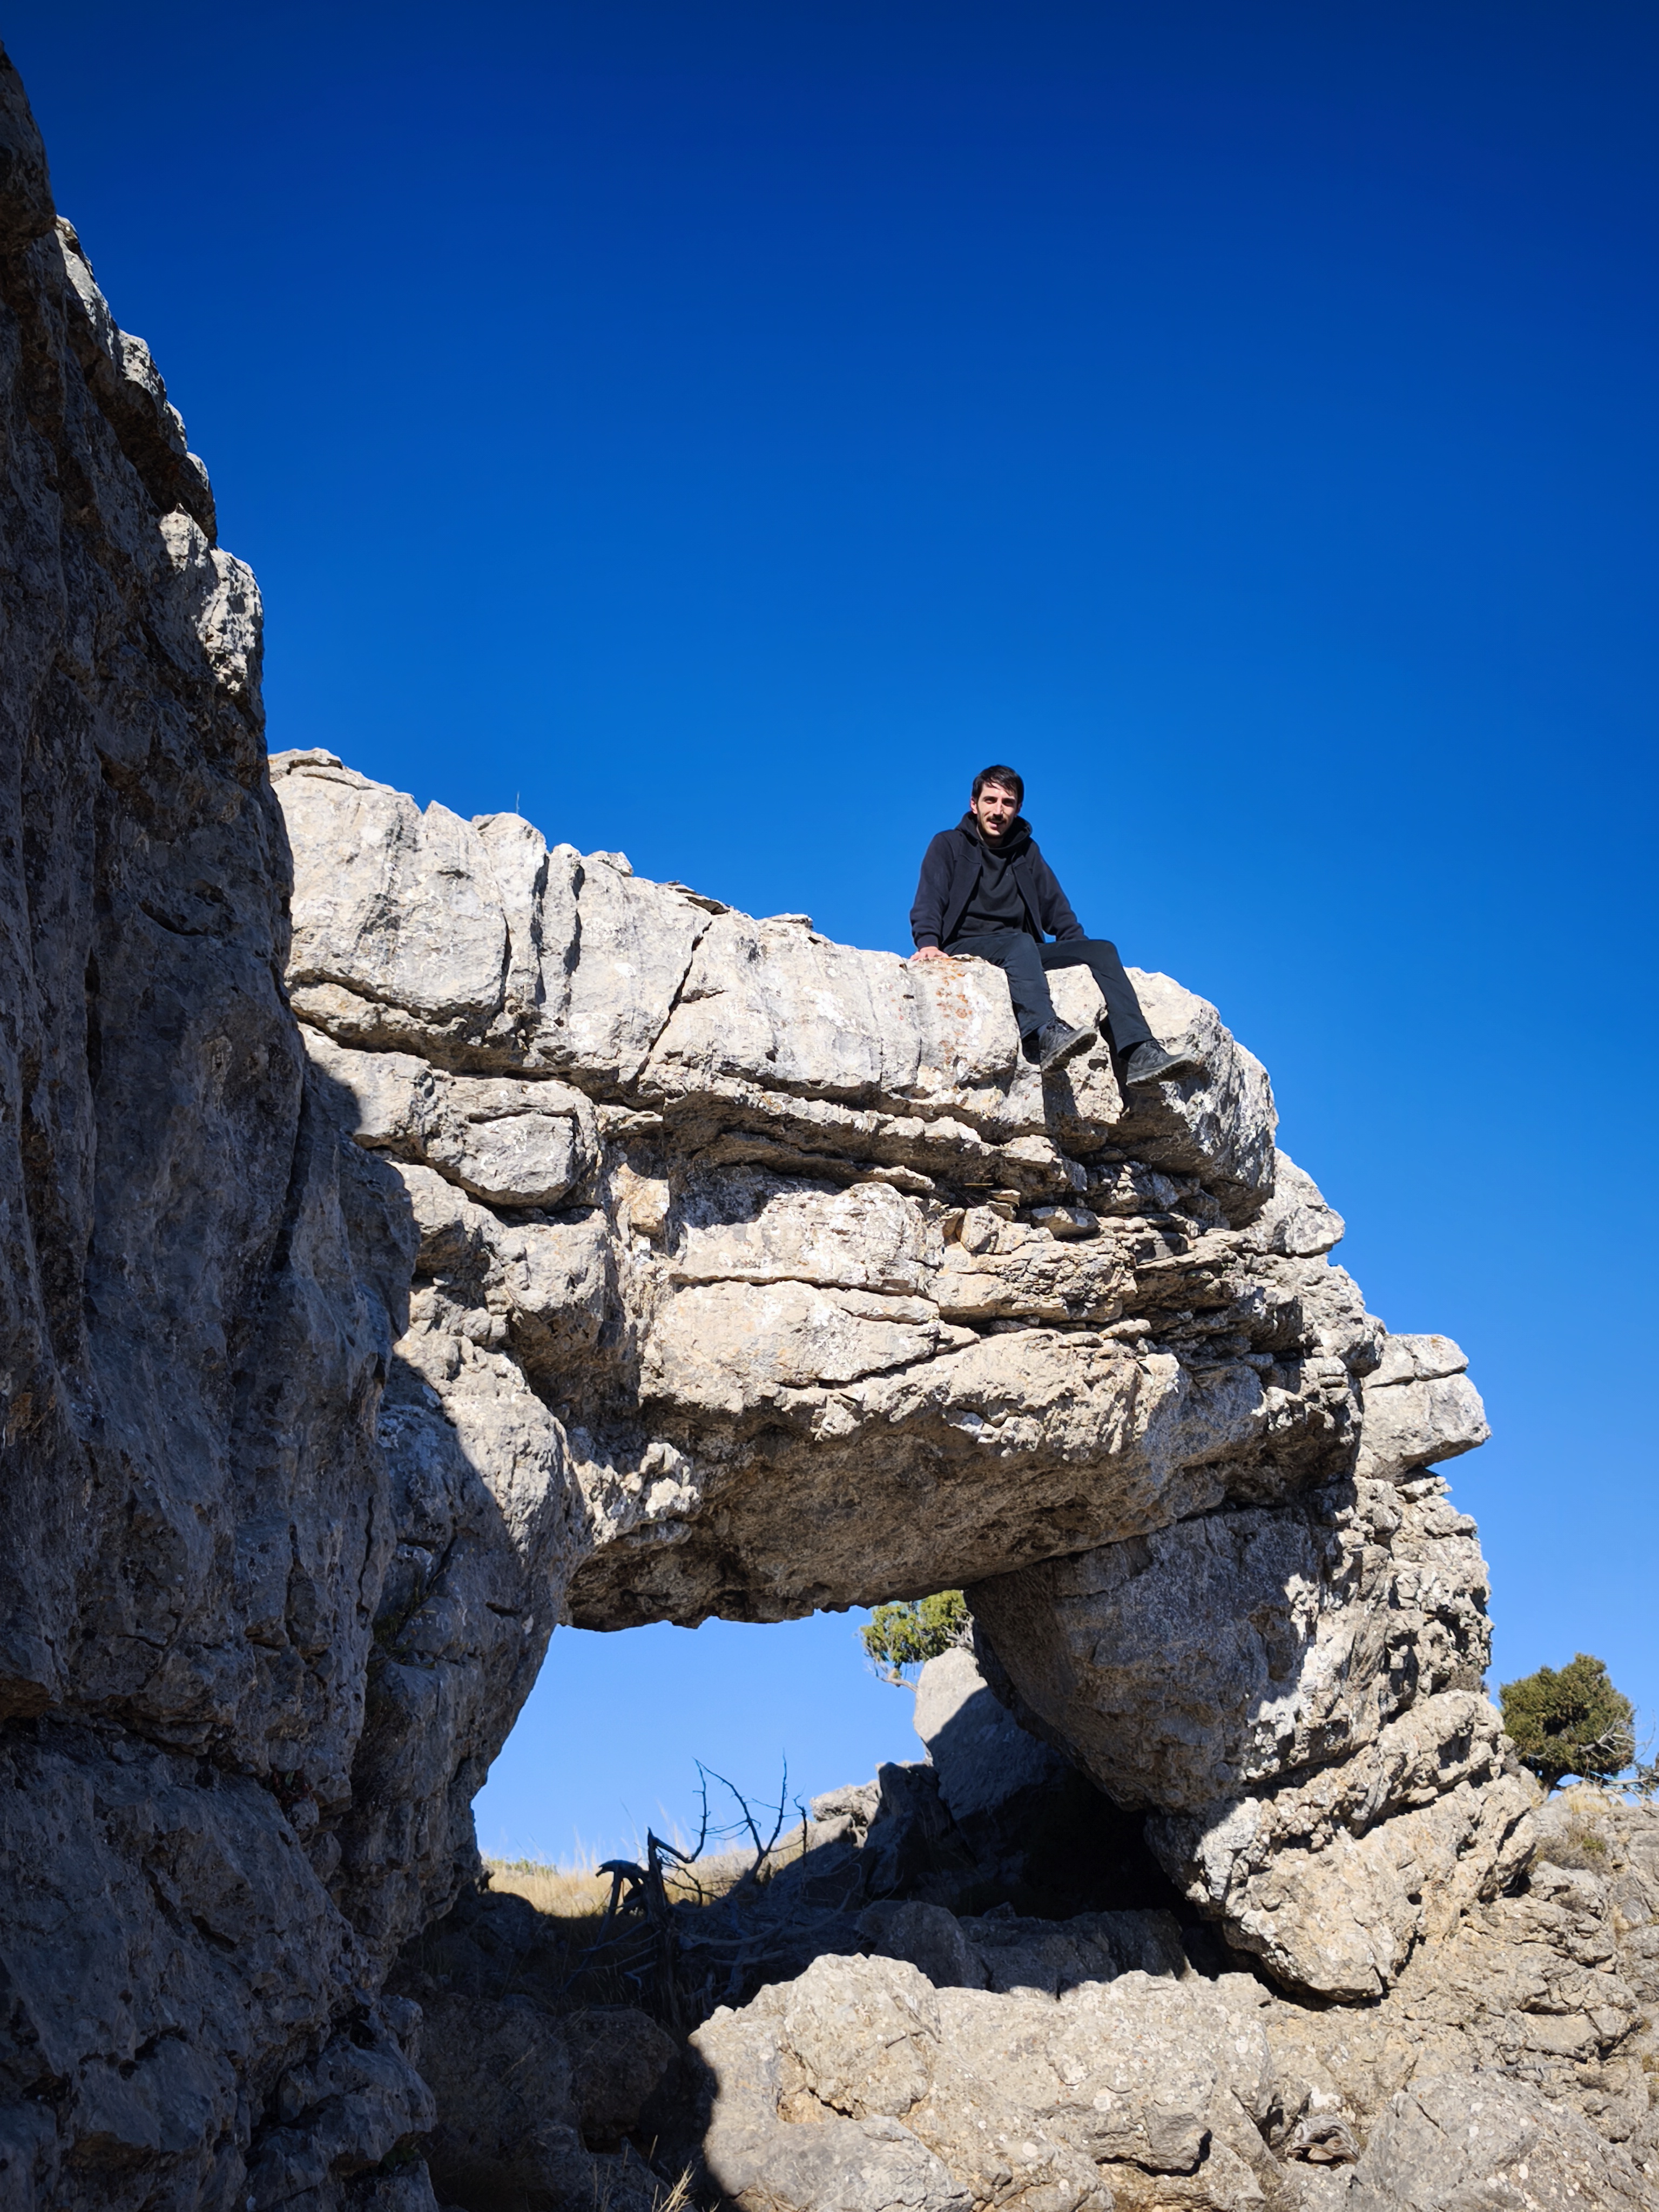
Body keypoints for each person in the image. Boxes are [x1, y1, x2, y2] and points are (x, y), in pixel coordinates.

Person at [909, 764, 1201, 1081]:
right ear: (974, 804)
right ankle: (1044, 1034)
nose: (998, 811)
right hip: (966, 947)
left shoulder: (1027, 852)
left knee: (1102, 950)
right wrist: (928, 943)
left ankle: (1139, 1052)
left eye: (1007, 803)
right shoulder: (948, 844)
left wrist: (1081, 951)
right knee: (1019, 942)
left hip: (1022, 953)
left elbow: (1058, 910)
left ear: (1018, 808)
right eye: (990, 801)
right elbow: (930, 897)